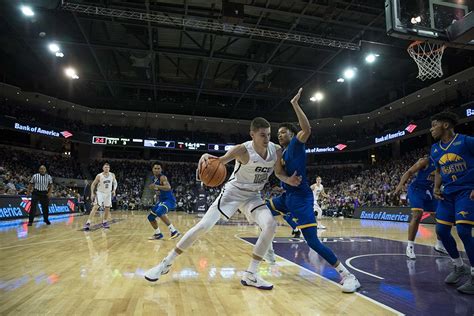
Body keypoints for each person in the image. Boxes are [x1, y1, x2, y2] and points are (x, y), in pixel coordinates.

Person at [144, 117, 301, 290]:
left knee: (270, 225)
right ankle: (165, 263)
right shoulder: (242, 150)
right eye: (262, 135)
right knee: (203, 226)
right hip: (232, 193)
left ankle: (251, 275)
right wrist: (205, 156)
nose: (266, 139)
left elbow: (278, 172)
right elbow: (219, 161)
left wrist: (289, 179)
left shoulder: (276, 150)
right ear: (252, 135)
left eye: (269, 135)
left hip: (253, 196)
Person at [266, 88, 360, 293]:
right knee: (260, 210)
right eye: (278, 132)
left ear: (291, 134)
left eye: (283, 132)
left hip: (301, 199)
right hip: (287, 196)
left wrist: (295, 104)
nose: (280, 134)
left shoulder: (297, 145)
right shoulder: (279, 153)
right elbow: (279, 173)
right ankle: (268, 250)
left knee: (313, 243)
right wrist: (287, 180)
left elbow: (307, 129)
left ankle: (347, 275)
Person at [430, 111, 474, 294]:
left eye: (434, 125)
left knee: (463, 230)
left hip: (466, 191)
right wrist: (436, 187)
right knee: (441, 231)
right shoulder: (434, 149)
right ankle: (458, 266)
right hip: (447, 194)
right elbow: (439, 170)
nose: (431, 129)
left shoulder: (466, 141)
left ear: (445, 125)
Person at [393, 156, 448, 259]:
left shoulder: (446, 164)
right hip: (416, 190)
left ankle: (439, 245)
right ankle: (410, 246)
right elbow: (409, 172)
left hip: (431, 192)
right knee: (417, 215)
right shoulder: (426, 161)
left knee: (442, 217)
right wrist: (400, 186)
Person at [147, 162, 180, 240]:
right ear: (152, 169)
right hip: (161, 200)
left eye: (158, 168)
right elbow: (158, 190)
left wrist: (156, 186)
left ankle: (174, 231)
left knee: (159, 212)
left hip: (169, 200)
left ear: (161, 170)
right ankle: (158, 234)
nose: (157, 170)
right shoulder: (153, 179)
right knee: (151, 217)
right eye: (155, 168)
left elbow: (168, 187)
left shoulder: (163, 177)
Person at [84, 163, 117, 230]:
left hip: (108, 193)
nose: (106, 168)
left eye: (108, 167)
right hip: (100, 193)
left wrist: (114, 190)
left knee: (107, 208)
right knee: (96, 207)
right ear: (103, 168)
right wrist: (92, 193)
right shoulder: (99, 175)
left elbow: (115, 183)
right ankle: (88, 222)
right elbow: (93, 184)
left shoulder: (112, 175)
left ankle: (104, 222)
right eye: (105, 167)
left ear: (109, 168)